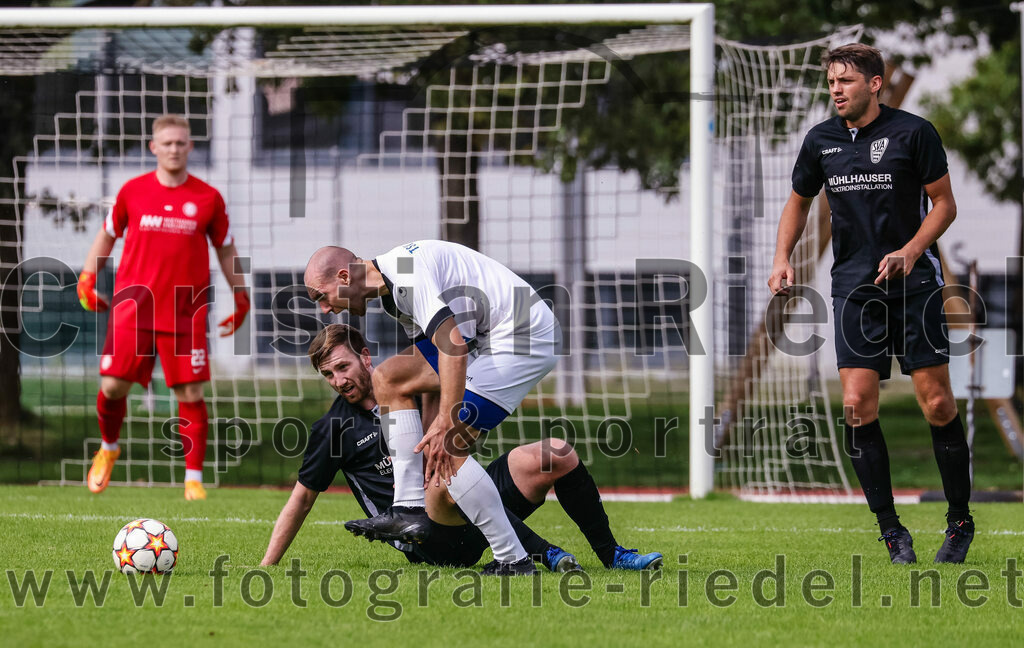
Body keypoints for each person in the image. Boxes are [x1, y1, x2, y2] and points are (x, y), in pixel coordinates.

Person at [768, 44, 972, 564]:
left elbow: (945, 204)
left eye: (846, 81)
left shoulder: (915, 133)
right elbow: (798, 202)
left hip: (916, 288)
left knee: (938, 405)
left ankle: (959, 521)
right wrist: (781, 257)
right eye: (832, 82)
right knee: (857, 407)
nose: (836, 90)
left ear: (874, 84)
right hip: (855, 290)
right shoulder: (821, 141)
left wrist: (910, 250)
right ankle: (891, 530)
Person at [260, 324, 663, 573]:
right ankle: (544, 553)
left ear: (366, 358)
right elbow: (302, 499)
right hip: (429, 541)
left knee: (555, 453)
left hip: (470, 502)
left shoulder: (411, 392)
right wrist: (267, 566)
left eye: (343, 367)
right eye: (328, 374)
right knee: (444, 476)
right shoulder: (333, 428)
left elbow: (458, 382)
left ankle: (613, 556)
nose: (337, 380)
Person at [304, 240, 562, 575]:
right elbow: (435, 367)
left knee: (448, 448)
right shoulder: (392, 294)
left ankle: (515, 560)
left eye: (321, 297)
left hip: (523, 338)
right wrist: (425, 442)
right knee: (388, 379)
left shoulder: (406, 274)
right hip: (488, 338)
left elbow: (453, 345)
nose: (325, 309)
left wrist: (446, 420)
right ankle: (409, 508)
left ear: (343, 276)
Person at [76, 114, 251, 500]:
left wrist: (240, 294)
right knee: (112, 385)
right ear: (154, 147)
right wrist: (87, 276)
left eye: (181, 142)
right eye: (167, 143)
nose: (174, 149)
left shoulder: (208, 198)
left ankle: (193, 478)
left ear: (190, 146)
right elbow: (105, 237)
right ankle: (108, 448)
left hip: (186, 312)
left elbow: (225, 249)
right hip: (132, 306)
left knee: (190, 394)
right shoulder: (131, 192)